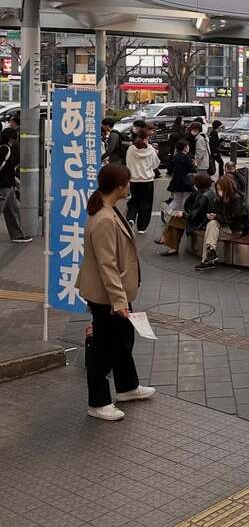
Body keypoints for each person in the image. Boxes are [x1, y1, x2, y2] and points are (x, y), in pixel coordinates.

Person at [76, 164, 155, 421]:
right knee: (104, 347)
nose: (130, 186)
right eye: (128, 182)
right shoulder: (104, 219)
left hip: (114, 294)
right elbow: (106, 265)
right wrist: (119, 302)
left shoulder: (110, 210)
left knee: (122, 339)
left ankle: (127, 387)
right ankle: (98, 402)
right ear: (120, 186)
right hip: (106, 296)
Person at [195, 175, 249, 271]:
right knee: (211, 224)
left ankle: (208, 259)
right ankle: (210, 253)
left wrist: (216, 217)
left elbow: (234, 219)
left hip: (235, 230)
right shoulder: (220, 199)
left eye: (221, 189)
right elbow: (220, 216)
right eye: (218, 189)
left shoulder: (236, 200)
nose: (219, 191)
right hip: (225, 227)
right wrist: (214, 216)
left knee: (210, 228)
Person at [157, 172, 216, 256]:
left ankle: (166, 241)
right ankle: (167, 242)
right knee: (175, 219)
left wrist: (183, 214)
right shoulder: (207, 192)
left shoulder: (203, 196)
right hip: (202, 219)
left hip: (200, 222)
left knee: (175, 220)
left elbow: (196, 215)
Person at [125, 131, 160, 233]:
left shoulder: (131, 149)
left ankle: (130, 218)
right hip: (147, 180)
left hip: (133, 180)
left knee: (133, 201)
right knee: (146, 203)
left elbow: (127, 163)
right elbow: (155, 164)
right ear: (146, 138)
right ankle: (142, 227)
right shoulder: (151, 150)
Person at [0, 127, 30, 242]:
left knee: (13, 210)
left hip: (8, 185)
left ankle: (17, 235)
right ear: (11, 138)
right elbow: (5, 169)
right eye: (15, 136)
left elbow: (8, 169)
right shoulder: (5, 149)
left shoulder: (5, 148)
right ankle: (17, 235)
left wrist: (14, 182)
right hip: (3, 185)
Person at [166, 139, 194, 212]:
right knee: (187, 199)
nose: (188, 147)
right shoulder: (186, 157)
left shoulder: (175, 157)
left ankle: (167, 211)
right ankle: (184, 214)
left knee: (177, 200)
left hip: (176, 182)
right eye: (188, 146)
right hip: (186, 182)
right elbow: (192, 168)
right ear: (185, 147)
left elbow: (170, 169)